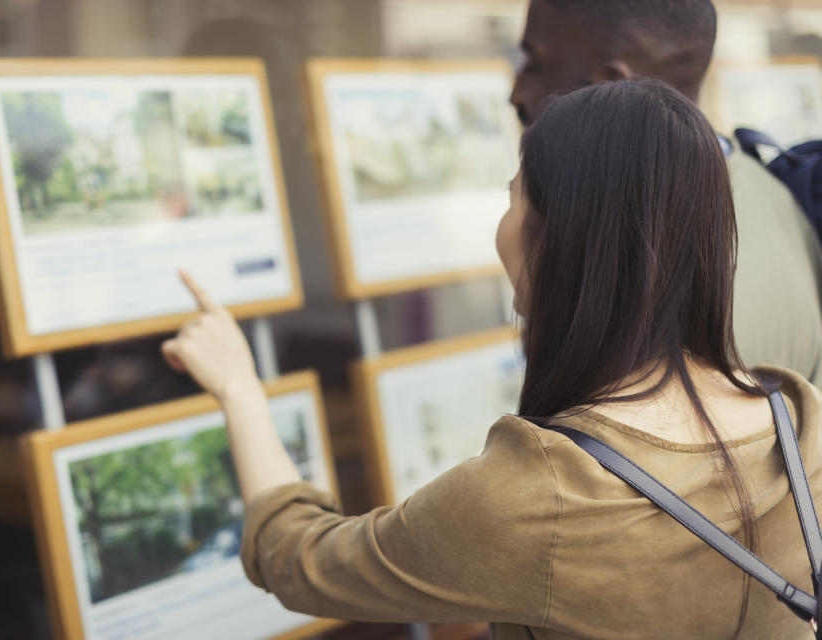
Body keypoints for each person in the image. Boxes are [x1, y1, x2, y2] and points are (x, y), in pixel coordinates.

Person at [162, 79, 822, 639]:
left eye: (514, 195)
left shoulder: (541, 493)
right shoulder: (800, 421)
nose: (503, 221)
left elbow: (296, 559)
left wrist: (239, 387)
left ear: (559, 236)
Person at [510, 0, 822, 387]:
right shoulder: (751, 190)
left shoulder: (695, 309)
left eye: (535, 64)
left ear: (610, 87)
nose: (516, 92)